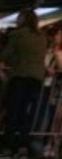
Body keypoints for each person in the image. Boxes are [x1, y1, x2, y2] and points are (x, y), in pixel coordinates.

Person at [0, 9, 47, 155]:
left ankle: (9, 145)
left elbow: (7, 54)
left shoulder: (18, 34)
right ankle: (22, 144)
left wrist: (13, 62)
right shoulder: (42, 37)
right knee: (26, 113)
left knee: (13, 111)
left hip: (20, 75)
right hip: (36, 78)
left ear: (23, 19)